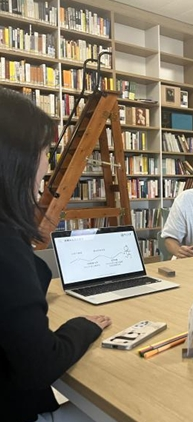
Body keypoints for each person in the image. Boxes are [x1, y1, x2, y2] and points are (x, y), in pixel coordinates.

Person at [0, 87, 112, 421]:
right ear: (17, 159)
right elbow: (40, 365)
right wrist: (81, 327)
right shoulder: (6, 246)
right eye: (46, 152)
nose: (47, 166)